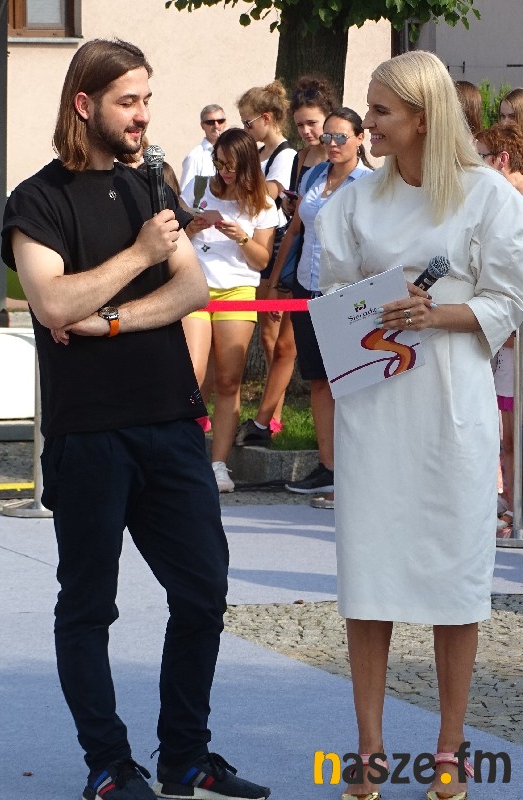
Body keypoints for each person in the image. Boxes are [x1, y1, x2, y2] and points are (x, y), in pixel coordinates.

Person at [1, 38, 270, 800]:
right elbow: (52, 302)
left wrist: (112, 318)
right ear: (84, 104)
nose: (143, 115)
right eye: (128, 101)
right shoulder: (37, 200)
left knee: (203, 592)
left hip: (171, 422)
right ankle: (109, 765)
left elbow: (192, 290)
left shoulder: (151, 184)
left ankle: (186, 756)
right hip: (89, 434)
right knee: (90, 605)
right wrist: (137, 256)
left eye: (147, 99)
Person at [315, 51, 523, 800]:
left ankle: (449, 752)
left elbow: (510, 299)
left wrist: (437, 314)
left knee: (454, 581)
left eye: (381, 111)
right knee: (368, 579)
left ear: (424, 117)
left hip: (451, 410)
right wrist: (377, 301)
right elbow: (330, 296)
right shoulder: (354, 203)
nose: (365, 122)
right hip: (375, 410)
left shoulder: (488, 195)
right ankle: (368, 753)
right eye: (369, 108)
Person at [266, 109, 371, 503]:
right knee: (318, 379)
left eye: (341, 136)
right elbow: (296, 229)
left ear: (359, 139)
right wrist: (275, 283)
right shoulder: (313, 176)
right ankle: (328, 467)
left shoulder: (369, 183)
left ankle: (356, 470)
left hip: (345, 291)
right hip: (306, 287)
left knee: (351, 382)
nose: (332, 143)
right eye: (328, 136)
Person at [235, 75, 338, 449]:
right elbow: (295, 224)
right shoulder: (303, 157)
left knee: (307, 356)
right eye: (301, 125)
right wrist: (277, 277)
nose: (308, 132)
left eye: (313, 123)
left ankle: (270, 423)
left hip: (333, 271)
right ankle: (268, 422)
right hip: (299, 260)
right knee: (282, 346)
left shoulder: (342, 160)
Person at [181, 128, 277, 493]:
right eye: (219, 163)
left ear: (248, 164)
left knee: (228, 380)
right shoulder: (198, 189)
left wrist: (241, 237)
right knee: (192, 374)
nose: (224, 172)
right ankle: (183, 458)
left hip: (237, 289)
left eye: (231, 166)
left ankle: (218, 465)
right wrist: (192, 228)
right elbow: (175, 239)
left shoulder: (262, 204)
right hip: (196, 288)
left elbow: (261, 260)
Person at [237, 81, 297, 429]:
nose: (245, 129)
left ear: (267, 118)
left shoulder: (285, 155)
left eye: (248, 123)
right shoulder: (259, 154)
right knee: (266, 335)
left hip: (275, 246)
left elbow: (271, 192)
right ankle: (271, 412)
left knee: (274, 336)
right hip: (258, 243)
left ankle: (274, 414)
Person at [475, 122, 523, 532]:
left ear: (501, 160)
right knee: (505, 434)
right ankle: (510, 502)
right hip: (502, 343)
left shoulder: (514, 205)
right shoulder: (493, 204)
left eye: (480, 158)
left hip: (515, 337)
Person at [179, 104, 227, 194]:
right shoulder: (194, 157)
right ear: (202, 125)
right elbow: (185, 194)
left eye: (220, 121)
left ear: (225, 123)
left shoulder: (234, 153)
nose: (216, 126)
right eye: (210, 122)